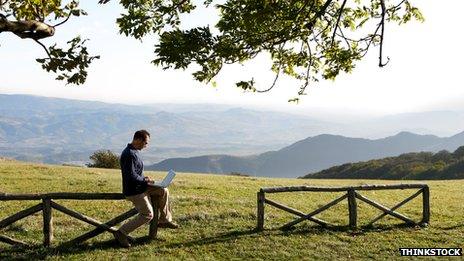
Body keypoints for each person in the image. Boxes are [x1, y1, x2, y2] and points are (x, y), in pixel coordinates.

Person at [113, 130, 178, 248]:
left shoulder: (135, 152)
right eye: (146, 143)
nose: (146, 145)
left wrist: (145, 178)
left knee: (163, 190)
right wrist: (145, 181)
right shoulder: (129, 154)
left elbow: (136, 173)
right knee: (147, 215)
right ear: (137, 140)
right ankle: (121, 233)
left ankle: (164, 220)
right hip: (134, 191)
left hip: (141, 186)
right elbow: (130, 176)